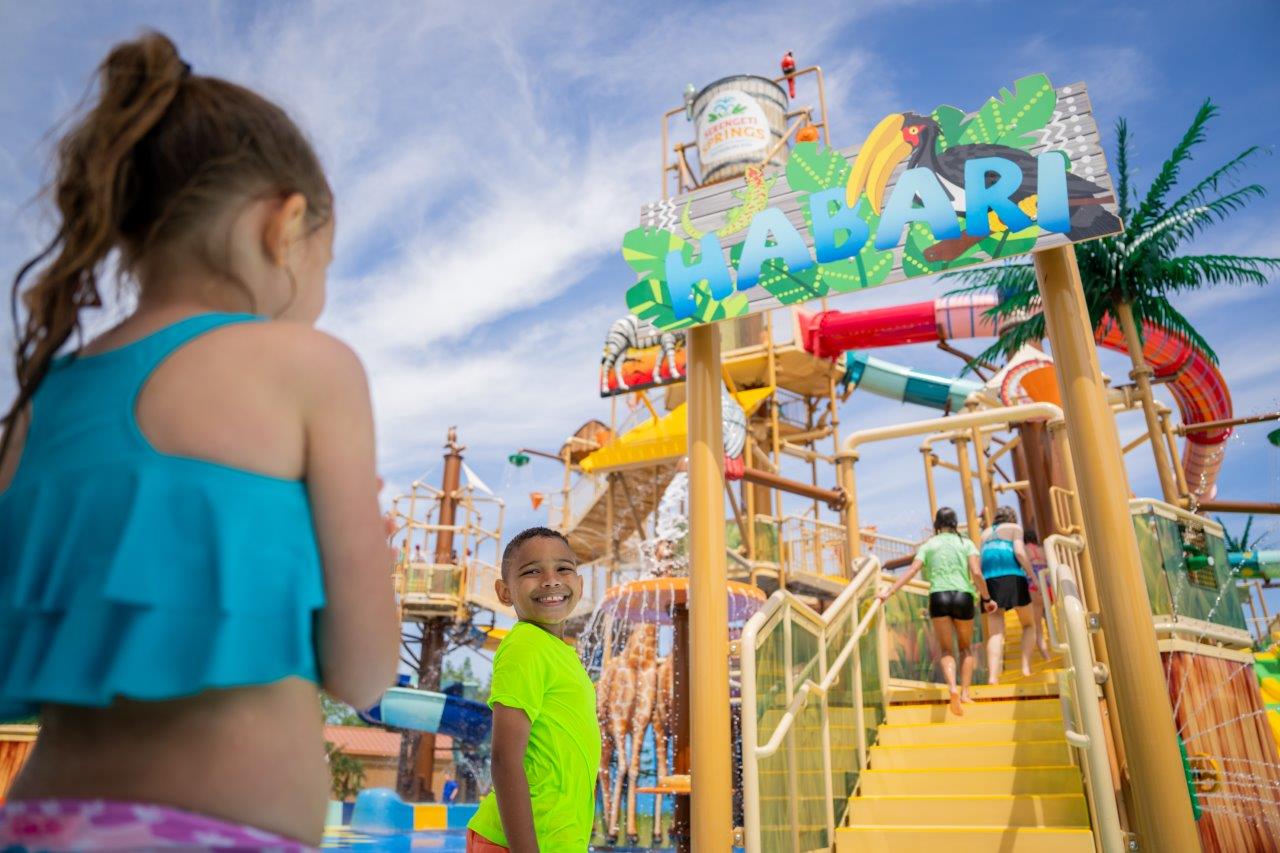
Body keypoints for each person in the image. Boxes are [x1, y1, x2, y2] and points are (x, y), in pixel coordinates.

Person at [0, 32, 399, 849]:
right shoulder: (310, 367)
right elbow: (361, 673)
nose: (316, 298)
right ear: (283, 225)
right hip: (224, 829)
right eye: (323, 266)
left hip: (38, 821)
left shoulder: (46, 396)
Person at [467, 527, 600, 852]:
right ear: (504, 591)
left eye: (563, 569)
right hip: (518, 844)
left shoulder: (560, 652)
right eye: (532, 571)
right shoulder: (525, 645)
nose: (551, 580)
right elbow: (504, 759)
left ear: (580, 584)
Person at [877, 508, 996, 716]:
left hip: (938, 597)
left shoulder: (929, 545)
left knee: (946, 651)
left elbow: (913, 570)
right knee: (965, 649)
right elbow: (976, 573)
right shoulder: (966, 543)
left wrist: (890, 591)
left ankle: (951, 688)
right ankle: (965, 693)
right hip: (963, 596)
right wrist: (987, 599)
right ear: (955, 523)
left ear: (937, 525)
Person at [981, 507, 1040, 683]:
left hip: (989, 582)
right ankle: (1025, 668)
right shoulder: (1015, 528)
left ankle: (992, 676)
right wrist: (1032, 576)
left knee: (995, 633)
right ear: (1013, 518)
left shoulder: (984, 534)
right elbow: (1020, 553)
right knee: (1029, 625)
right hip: (1013, 577)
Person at [1023, 530, 1052, 660]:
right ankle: (1055, 646)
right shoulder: (1042, 550)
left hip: (1035, 586)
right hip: (1048, 585)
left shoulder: (1024, 549)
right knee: (1050, 620)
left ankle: (1047, 657)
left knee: (1037, 626)